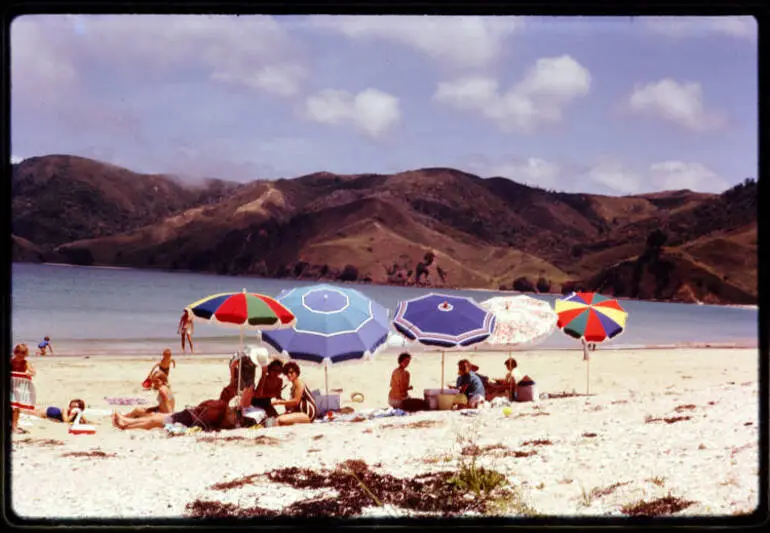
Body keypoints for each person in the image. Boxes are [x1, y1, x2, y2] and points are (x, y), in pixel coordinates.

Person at [112, 398, 243, 432]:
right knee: (155, 419)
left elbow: (204, 405)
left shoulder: (220, 407)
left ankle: (126, 424)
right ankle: (126, 421)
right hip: (190, 416)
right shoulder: (220, 413)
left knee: (154, 421)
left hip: (189, 417)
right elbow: (204, 406)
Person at [11, 343, 36, 433]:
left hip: (19, 387)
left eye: (23, 353)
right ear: (15, 352)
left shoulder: (26, 363)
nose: (21, 355)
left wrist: (29, 373)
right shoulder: (10, 361)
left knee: (16, 407)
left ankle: (14, 426)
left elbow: (33, 372)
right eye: (19, 352)